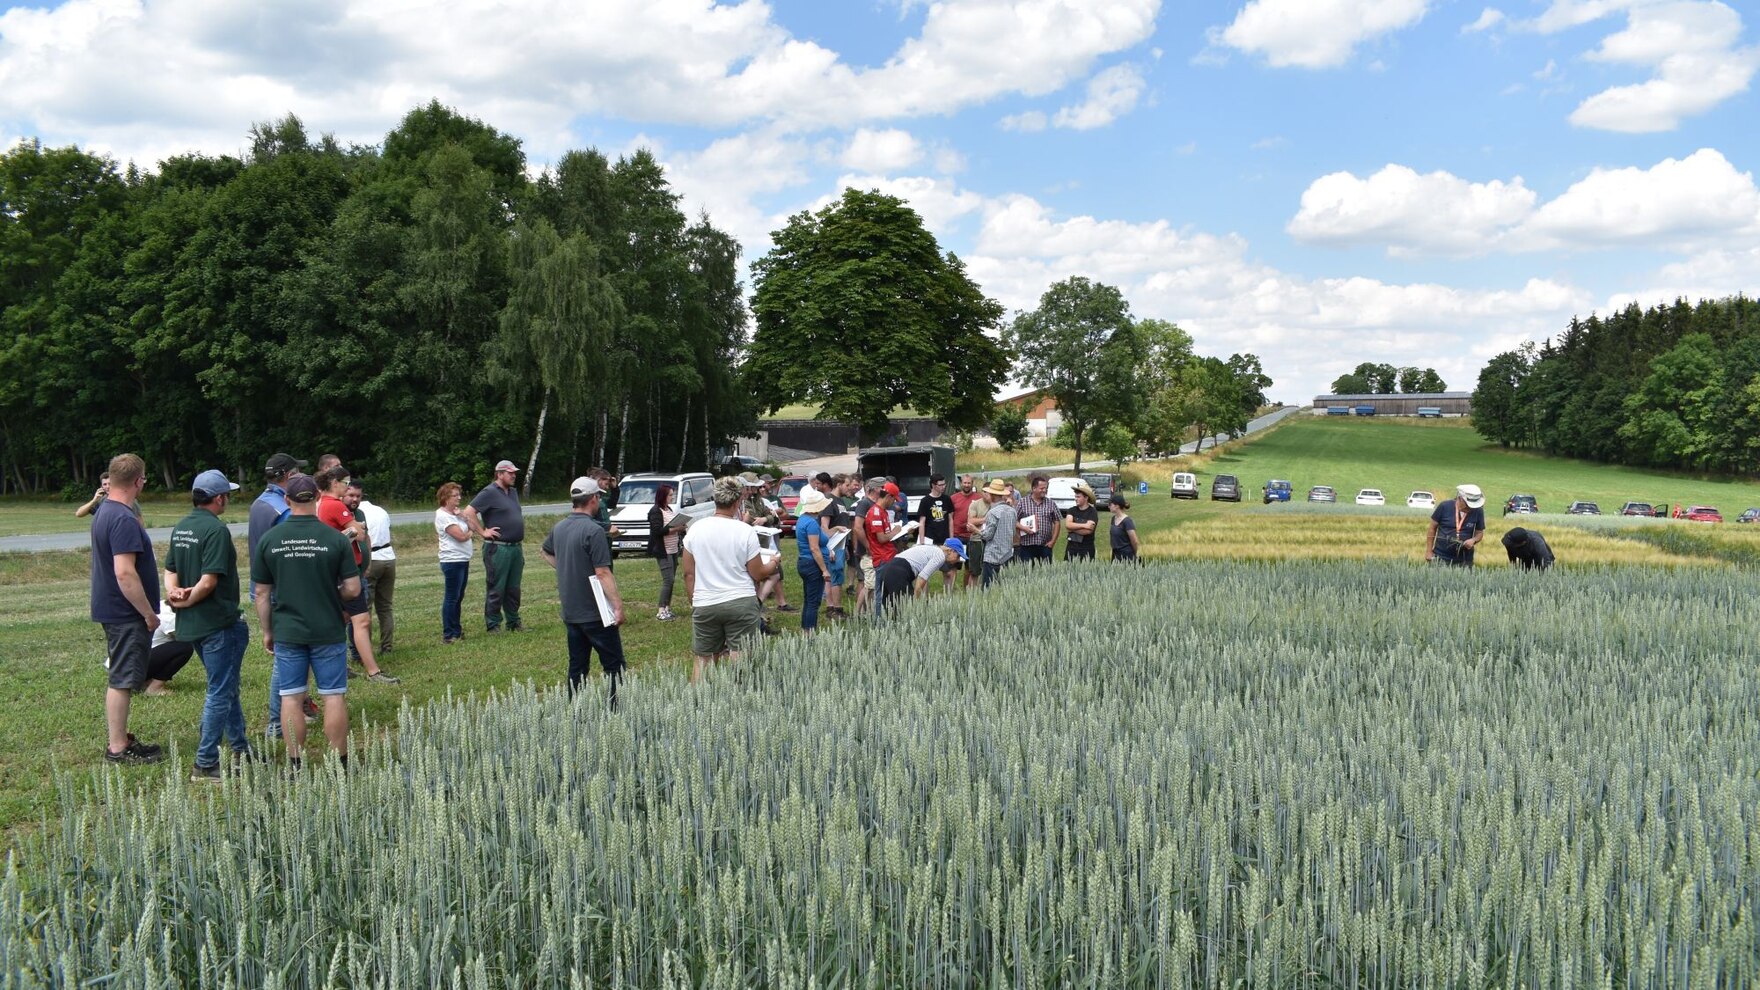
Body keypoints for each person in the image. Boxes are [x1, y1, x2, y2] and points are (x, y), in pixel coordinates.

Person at [251, 473, 358, 767]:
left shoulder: (270, 540)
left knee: (291, 696)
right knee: (333, 695)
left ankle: (295, 762)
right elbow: (353, 589)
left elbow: (261, 593)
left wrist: (267, 630)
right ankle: (340, 762)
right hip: (328, 627)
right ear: (317, 498)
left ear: (287, 500)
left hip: (288, 630)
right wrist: (331, 591)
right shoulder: (335, 539)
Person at [166, 469, 253, 781]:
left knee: (227, 687)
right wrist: (187, 599)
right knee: (220, 690)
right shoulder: (216, 530)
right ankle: (205, 763)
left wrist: (174, 595)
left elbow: (170, 570)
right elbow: (209, 581)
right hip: (219, 623)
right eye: (226, 494)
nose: (227, 499)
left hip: (194, 626)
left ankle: (242, 749)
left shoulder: (182, 527)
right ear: (219, 498)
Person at [89, 453, 164, 764]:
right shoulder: (122, 518)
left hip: (114, 608)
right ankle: (118, 748)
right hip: (125, 612)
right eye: (143, 479)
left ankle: (121, 740)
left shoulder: (105, 511)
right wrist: (148, 613)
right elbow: (124, 573)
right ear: (137, 481)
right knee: (122, 680)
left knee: (122, 676)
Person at [682, 477, 777, 682]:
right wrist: (773, 564)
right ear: (737, 503)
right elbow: (758, 573)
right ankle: (739, 701)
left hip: (705, 602)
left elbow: (689, 574)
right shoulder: (745, 531)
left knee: (703, 659)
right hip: (740, 600)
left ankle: (697, 704)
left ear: (714, 500)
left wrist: (694, 601)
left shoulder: (695, 529)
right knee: (741, 656)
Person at [542, 477, 625, 705]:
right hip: (596, 612)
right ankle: (616, 712)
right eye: (599, 496)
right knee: (614, 666)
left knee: (577, 668)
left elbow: (546, 552)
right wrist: (617, 607)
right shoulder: (594, 531)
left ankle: (575, 711)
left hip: (571, 612)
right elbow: (603, 573)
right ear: (594, 499)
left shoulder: (559, 527)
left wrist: (567, 567)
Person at [316, 467, 399, 683]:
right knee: (361, 621)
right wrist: (357, 528)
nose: (347, 488)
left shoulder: (323, 504)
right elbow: (360, 534)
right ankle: (373, 672)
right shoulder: (334, 505)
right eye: (345, 483)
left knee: (340, 620)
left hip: (336, 571)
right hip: (344, 573)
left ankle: (336, 665)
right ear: (335, 482)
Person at [247, 452, 309, 736]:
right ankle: (276, 723)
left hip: (263, 587)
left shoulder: (259, 503)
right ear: (286, 476)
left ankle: (297, 707)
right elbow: (294, 555)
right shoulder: (283, 511)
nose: (300, 477)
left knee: (288, 657)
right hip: (282, 592)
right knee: (286, 660)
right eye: (296, 472)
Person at [466, 459, 526, 633]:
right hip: (498, 548)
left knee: (513, 587)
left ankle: (513, 622)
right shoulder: (489, 492)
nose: (514, 475)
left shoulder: (513, 492)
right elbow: (468, 513)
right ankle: (493, 624)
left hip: (515, 547)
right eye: (510, 473)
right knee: (496, 587)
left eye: (515, 473)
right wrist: (483, 531)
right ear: (499, 474)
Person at [353, 480, 397, 656]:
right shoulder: (381, 510)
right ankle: (387, 646)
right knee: (385, 607)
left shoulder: (358, 515)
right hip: (389, 558)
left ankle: (365, 648)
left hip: (374, 559)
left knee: (366, 607)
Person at [875, 539, 967, 617]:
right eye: (958, 555)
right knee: (907, 613)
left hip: (888, 569)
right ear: (951, 550)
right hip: (898, 573)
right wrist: (916, 603)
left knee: (892, 613)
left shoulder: (932, 549)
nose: (958, 560)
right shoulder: (940, 556)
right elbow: (921, 579)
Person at [794, 487, 842, 633]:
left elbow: (821, 539)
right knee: (813, 602)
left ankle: (805, 630)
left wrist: (835, 530)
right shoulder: (812, 523)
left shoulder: (803, 519)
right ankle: (809, 632)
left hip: (804, 562)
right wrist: (824, 570)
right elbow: (814, 548)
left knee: (809, 599)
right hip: (813, 565)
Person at [434, 483, 473, 644]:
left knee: (458, 596)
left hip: (463, 559)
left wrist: (464, 518)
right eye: (455, 495)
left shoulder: (456, 514)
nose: (459, 498)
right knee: (451, 597)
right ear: (445, 498)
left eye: (459, 495)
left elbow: (470, 526)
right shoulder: (443, 516)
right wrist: (470, 531)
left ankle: (457, 629)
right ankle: (449, 634)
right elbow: (461, 536)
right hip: (452, 560)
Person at [144, 591, 195, 694]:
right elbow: (196, 637)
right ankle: (155, 688)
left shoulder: (161, 605)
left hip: (124, 664)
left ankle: (144, 682)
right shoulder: (172, 620)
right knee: (184, 647)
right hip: (134, 666)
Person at [1425, 483, 1487, 567]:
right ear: (1460, 498)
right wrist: (1429, 551)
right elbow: (1432, 528)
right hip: (1441, 557)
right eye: (1468, 506)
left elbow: (1479, 532)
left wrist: (1473, 540)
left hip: (1465, 560)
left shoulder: (1478, 511)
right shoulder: (1444, 506)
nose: (1470, 509)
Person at [647, 484, 683, 621]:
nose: (671, 497)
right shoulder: (656, 511)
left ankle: (667, 607)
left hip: (673, 549)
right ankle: (661, 610)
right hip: (664, 550)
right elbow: (657, 531)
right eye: (670, 495)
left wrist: (681, 528)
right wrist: (675, 529)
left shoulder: (668, 509)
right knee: (668, 580)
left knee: (672, 580)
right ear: (662, 496)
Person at [916, 474, 958, 590]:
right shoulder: (925, 501)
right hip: (930, 540)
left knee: (948, 571)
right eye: (940, 485)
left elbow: (950, 520)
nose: (943, 487)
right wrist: (922, 542)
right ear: (933, 485)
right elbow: (922, 522)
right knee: (925, 573)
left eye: (944, 484)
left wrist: (951, 539)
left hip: (944, 541)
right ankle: (924, 600)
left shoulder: (947, 499)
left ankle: (948, 597)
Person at [976, 479, 1017, 587]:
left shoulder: (993, 512)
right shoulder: (1012, 511)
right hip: (1007, 554)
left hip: (992, 556)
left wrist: (976, 531)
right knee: (1004, 587)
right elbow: (1013, 531)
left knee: (988, 588)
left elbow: (988, 535)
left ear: (992, 495)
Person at [1014, 473, 1062, 563]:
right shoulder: (1022, 502)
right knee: (1027, 573)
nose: (1044, 490)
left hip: (1045, 546)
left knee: (1045, 574)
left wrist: (1053, 541)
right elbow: (1014, 520)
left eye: (1045, 488)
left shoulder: (1051, 503)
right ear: (1033, 489)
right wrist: (1024, 528)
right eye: (1042, 488)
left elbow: (1057, 521)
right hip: (1027, 546)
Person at [950, 475, 977, 588]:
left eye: (969, 483)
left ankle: (966, 590)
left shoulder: (978, 498)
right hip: (957, 536)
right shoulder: (953, 498)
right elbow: (950, 517)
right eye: (965, 483)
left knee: (969, 567)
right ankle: (950, 591)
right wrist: (951, 537)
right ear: (961, 483)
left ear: (972, 484)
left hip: (972, 536)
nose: (966, 485)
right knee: (953, 566)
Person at [963, 477, 990, 589]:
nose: (987, 495)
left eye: (989, 492)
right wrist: (987, 519)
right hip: (977, 540)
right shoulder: (975, 504)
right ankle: (972, 595)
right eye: (985, 492)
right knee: (974, 571)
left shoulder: (997, 505)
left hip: (991, 540)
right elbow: (970, 522)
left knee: (989, 570)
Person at [1064, 484, 1100, 561]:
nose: (1076, 499)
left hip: (1086, 549)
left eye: (1078, 497)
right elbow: (1068, 525)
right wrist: (1085, 525)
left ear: (1086, 498)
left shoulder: (1092, 512)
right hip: (1071, 548)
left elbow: (1087, 531)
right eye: (1075, 497)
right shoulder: (1071, 510)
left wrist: (1072, 529)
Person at [1109, 494, 1140, 562]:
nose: (1109, 506)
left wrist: (1134, 554)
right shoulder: (1113, 519)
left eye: (1110, 504)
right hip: (1115, 554)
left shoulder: (1127, 521)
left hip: (1126, 555)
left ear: (1117, 506)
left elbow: (1134, 541)